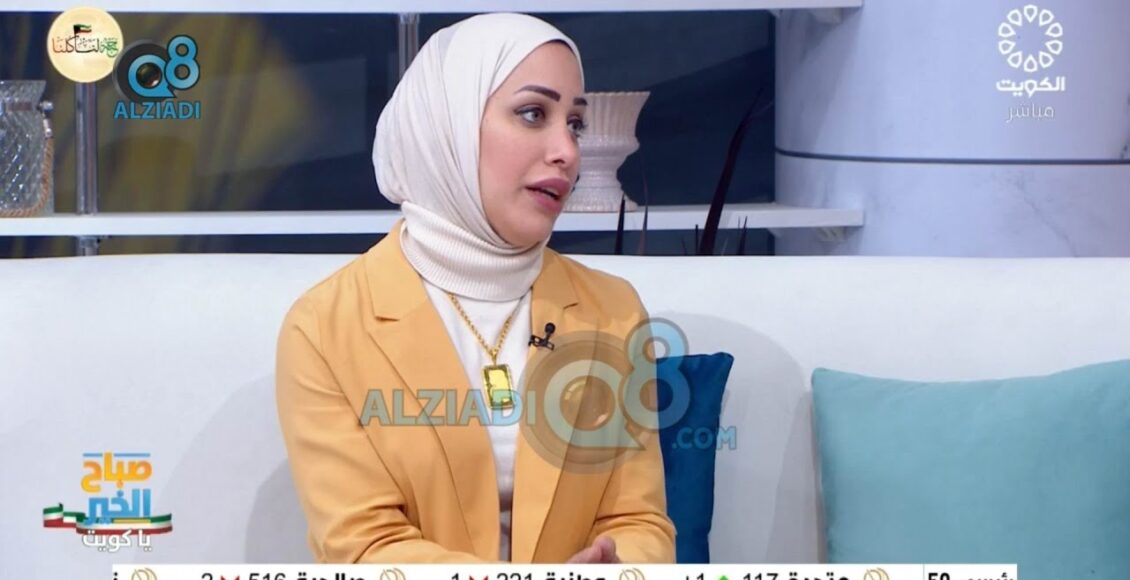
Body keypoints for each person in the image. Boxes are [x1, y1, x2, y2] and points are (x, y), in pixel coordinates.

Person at [275, 12, 675, 564]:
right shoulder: (325, 327)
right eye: (533, 114)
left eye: (575, 124)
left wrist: (621, 564)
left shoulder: (614, 310)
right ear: (449, 126)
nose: (567, 150)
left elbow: (639, 521)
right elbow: (365, 546)